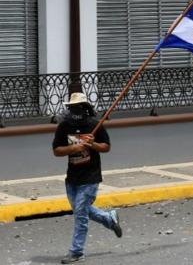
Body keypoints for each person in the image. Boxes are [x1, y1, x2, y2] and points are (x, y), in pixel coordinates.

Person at [52, 92, 123, 264]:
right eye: (72, 108)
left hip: (90, 177)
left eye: (78, 107)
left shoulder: (94, 125)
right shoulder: (64, 127)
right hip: (72, 178)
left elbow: (106, 147)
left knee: (80, 215)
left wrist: (92, 144)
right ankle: (109, 218)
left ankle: (77, 252)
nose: (75, 110)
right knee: (80, 210)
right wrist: (73, 149)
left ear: (85, 108)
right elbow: (56, 150)